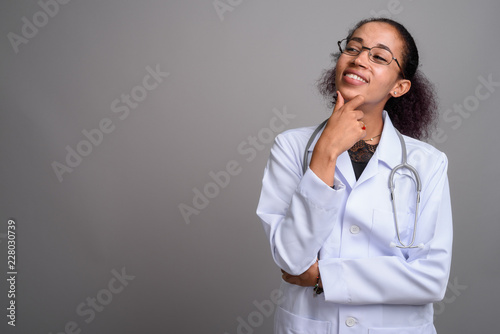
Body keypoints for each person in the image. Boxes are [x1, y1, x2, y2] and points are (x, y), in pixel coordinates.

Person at [256, 18, 452, 334]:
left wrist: (325, 277)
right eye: (353, 48)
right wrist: (325, 153)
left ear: (399, 87)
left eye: (378, 56)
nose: (359, 59)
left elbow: (431, 279)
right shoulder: (291, 147)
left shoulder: (427, 163)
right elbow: (291, 259)